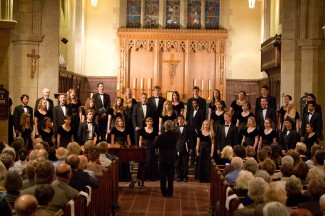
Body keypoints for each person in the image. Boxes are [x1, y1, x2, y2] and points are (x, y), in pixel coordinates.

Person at [153, 120, 179, 197]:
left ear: (164, 126)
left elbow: (154, 146)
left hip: (163, 158)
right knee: (171, 177)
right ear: (172, 126)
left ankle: (164, 193)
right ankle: (170, 193)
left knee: (163, 177)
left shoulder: (160, 136)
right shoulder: (176, 135)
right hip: (172, 157)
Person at [111, 117, 131, 181]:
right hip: (117, 147)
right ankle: (119, 177)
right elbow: (112, 140)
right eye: (119, 121)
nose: (121, 122)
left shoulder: (126, 129)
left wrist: (129, 147)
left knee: (125, 161)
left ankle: (126, 177)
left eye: (122, 121)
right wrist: (113, 146)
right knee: (119, 161)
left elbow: (128, 140)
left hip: (124, 147)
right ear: (117, 122)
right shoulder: (114, 129)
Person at [138, 117, 159, 181]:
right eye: (148, 121)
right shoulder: (142, 130)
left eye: (151, 121)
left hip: (152, 146)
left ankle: (153, 177)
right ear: (146, 122)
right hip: (145, 147)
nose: (150, 122)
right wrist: (140, 147)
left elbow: (156, 139)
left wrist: (157, 147)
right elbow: (140, 140)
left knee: (153, 161)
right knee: (146, 161)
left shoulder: (155, 130)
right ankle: (145, 176)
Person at [186, 98, 205, 163]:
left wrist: (200, 129)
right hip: (191, 130)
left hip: (198, 130)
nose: (193, 104)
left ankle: (198, 158)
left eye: (194, 103)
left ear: (198, 104)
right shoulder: (191, 111)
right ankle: (192, 158)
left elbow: (203, 121)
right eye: (192, 103)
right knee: (191, 144)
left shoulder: (201, 111)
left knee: (198, 144)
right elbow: (188, 120)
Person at [175, 115, 191, 182]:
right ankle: (179, 176)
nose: (180, 120)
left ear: (184, 120)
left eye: (181, 119)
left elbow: (191, 138)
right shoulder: (175, 129)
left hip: (185, 147)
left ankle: (185, 176)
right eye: (179, 119)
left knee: (185, 163)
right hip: (177, 147)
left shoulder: (188, 128)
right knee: (178, 163)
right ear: (177, 121)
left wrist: (190, 148)